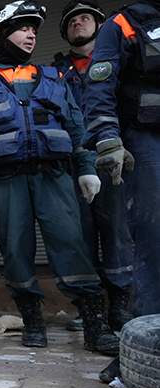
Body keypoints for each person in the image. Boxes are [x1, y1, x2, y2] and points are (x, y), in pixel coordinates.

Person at [0, 1, 118, 354]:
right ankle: (32, 319)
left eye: (34, 28)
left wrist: (87, 169)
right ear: (0, 34)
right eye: (23, 27)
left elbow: (76, 125)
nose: (31, 34)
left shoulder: (54, 77)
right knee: (14, 252)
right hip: (4, 180)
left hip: (54, 177)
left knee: (71, 245)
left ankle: (94, 324)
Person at [52, 2, 134, 333]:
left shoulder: (119, 63)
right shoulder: (56, 74)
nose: (79, 23)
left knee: (118, 231)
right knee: (79, 236)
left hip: (114, 157)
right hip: (74, 164)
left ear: (101, 25)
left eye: (85, 18)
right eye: (72, 21)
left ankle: (121, 306)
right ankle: (91, 307)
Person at [81, 0, 160, 318]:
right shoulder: (124, 24)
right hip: (146, 139)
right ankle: (149, 336)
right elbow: (100, 84)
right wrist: (107, 138)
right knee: (153, 237)